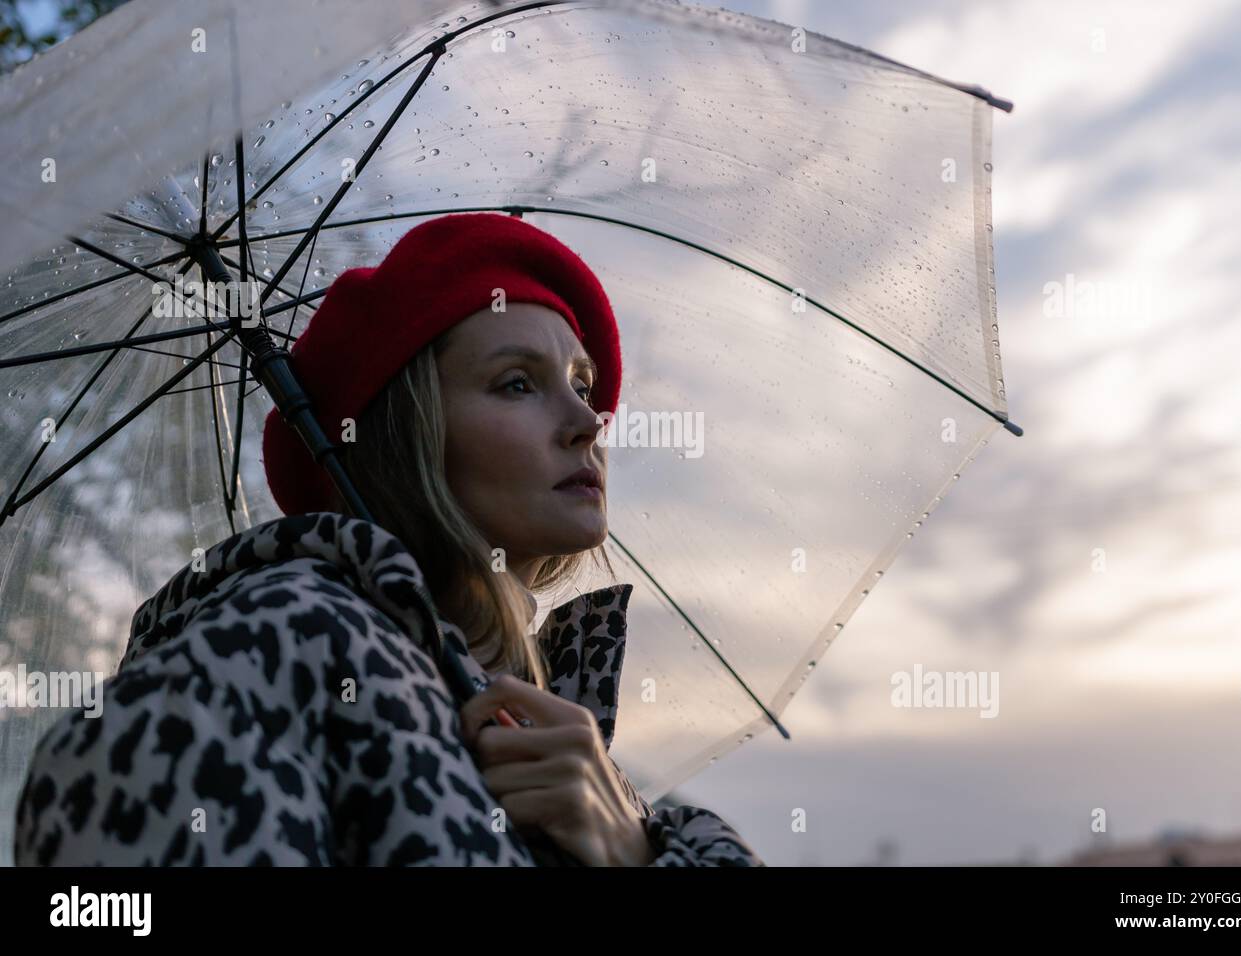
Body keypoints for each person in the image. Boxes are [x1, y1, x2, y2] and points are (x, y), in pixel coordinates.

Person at [12, 212, 765, 867]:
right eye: (516, 383)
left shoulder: (570, 749)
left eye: (583, 384)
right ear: (409, 439)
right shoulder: (287, 635)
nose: (586, 423)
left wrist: (633, 852)